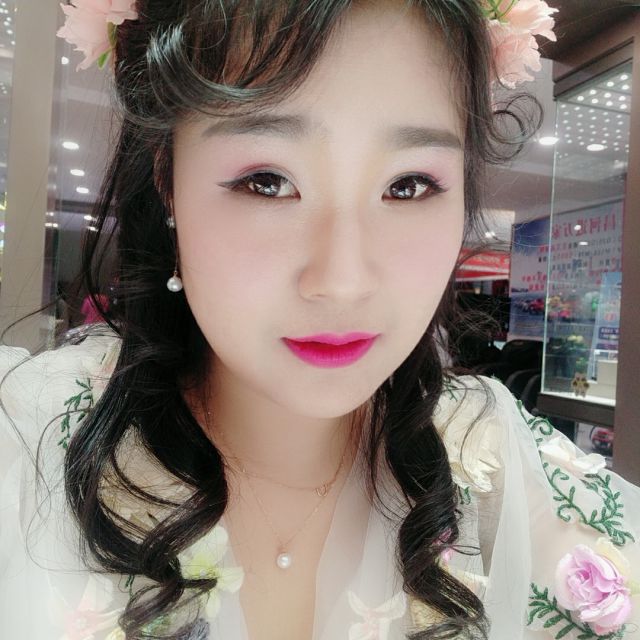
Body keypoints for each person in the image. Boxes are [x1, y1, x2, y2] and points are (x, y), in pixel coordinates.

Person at [1, 1, 638, 639]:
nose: (342, 281)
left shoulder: (495, 460)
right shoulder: (25, 442)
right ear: (167, 178)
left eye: (409, 185)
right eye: (267, 181)